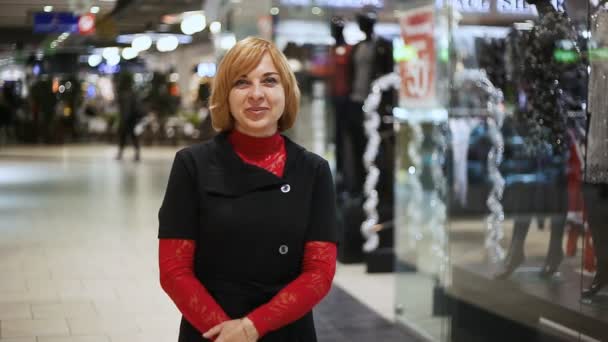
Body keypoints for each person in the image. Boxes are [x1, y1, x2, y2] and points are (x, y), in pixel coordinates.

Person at [158, 37, 339, 342]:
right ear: (225, 95)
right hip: (212, 332)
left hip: (287, 330)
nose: (257, 94)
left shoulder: (314, 171)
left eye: (269, 81)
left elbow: (319, 274)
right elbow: (174, 271)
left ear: (286, 92)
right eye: (242, 83)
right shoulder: (191, 165)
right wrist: (226, 333)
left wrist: (251, 327)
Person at [115, 72, 141, 161]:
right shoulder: (132, 93)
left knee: (125, 136)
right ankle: (134, 154)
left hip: (127, 119)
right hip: (131, 119)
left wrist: (124, 119)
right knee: (131, 136)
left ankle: (122, 153)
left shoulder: (125, 94)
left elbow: (126, 108)